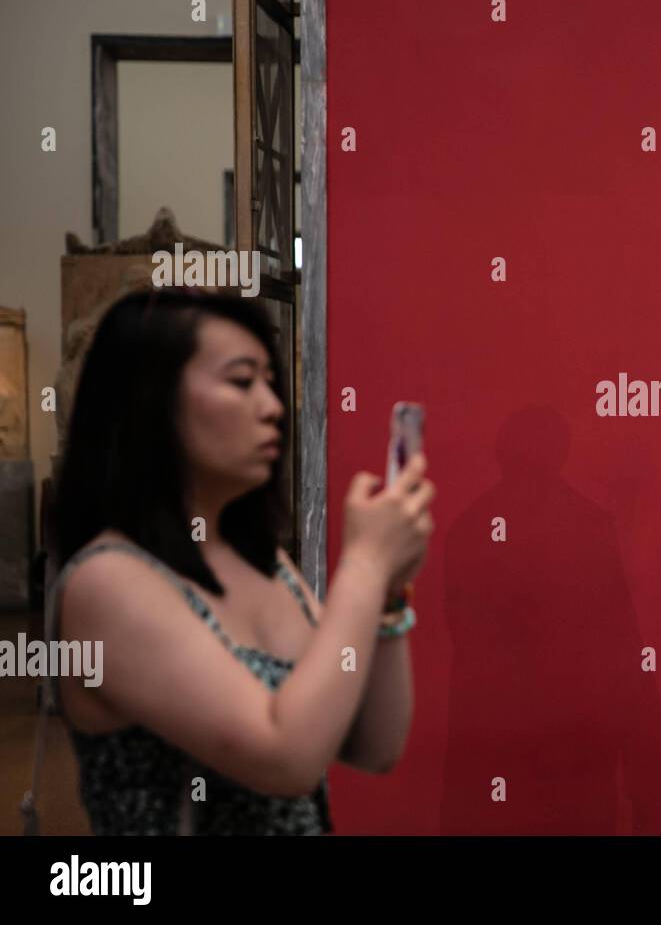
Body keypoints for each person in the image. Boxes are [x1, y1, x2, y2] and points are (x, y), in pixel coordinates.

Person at [34, 287, 433, 834]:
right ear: (150, 399)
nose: (272, 407)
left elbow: (372, 744)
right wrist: (363, 564)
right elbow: (284, 758)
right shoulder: (108, 582)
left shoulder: (263, 562)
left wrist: (387, 592)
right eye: (242, 382)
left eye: (271, 383)